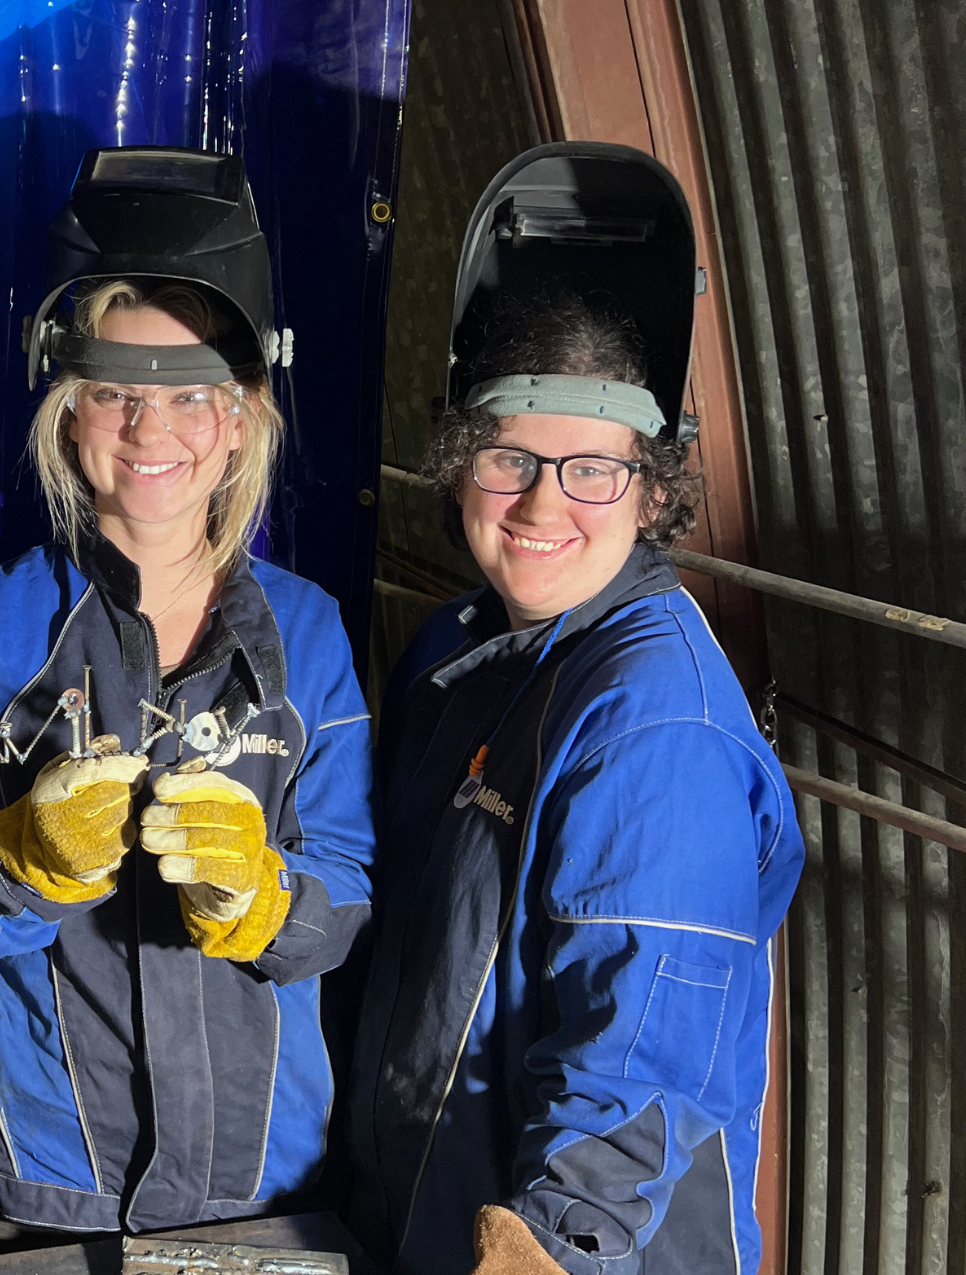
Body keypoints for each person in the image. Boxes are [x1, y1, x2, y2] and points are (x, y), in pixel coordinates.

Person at [0, 147, 375, 1248]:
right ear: (67, 410)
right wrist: (16, 864)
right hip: (25, 1192)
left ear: (242, 418)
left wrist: (265, 901)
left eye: (191, 396)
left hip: (259, 1190)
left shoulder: (310, 633)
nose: (152, 430)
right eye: (115, 393)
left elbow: (351, 893)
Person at [348, 144, 805, 1275]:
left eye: (593, 469)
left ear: (652, 490)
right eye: (509, 457)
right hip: (423, 1225)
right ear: (459, 464)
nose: (544, 503)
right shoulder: (458, 654)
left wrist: (556, 1249)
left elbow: (639, 1056)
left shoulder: (655, 723)